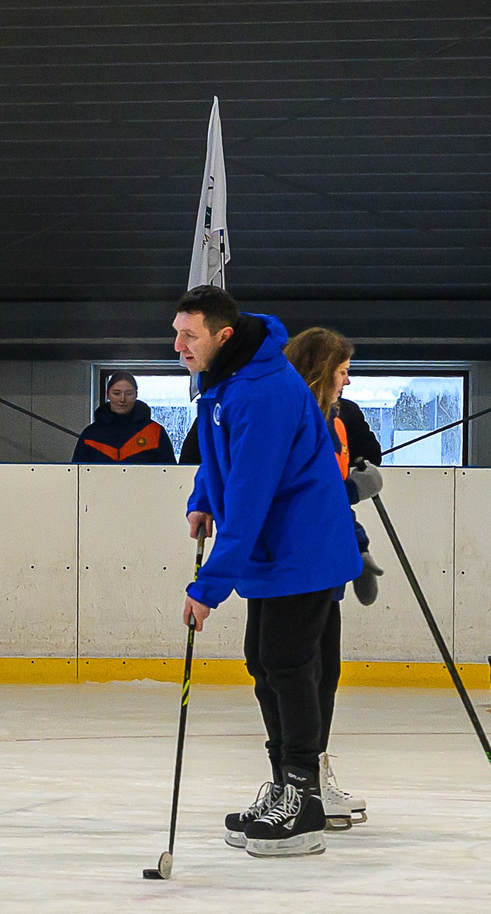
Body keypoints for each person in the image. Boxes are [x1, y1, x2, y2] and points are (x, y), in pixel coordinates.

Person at [173, 286, 361, 858]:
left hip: (301, 551)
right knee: (267, 660)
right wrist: (202, 495)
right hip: (276, 554)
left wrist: (207, 588)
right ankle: (286, 785)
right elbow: (218, 455)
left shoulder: (265, 391)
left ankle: (302, 797)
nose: (178, 345)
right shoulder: (225, 381)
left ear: (223, 336)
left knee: (285, 662)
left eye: (189, 336)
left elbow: (252, 495)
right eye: (176, 332)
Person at [249, 327, 384, 844]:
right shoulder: (295, 416)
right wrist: (354, 491)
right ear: (318, 370)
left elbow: (328, 500)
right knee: (280, 665)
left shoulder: (336, 420)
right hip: (291, 557)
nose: (348, 380)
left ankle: (308, 785)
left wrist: (359, 545)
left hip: (321, 558)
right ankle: (296, 785)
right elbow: (303, 493)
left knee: (316, 671)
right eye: (342, 370)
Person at [73, 370, 176, 464]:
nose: (122, 399)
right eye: (116, 393)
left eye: (128, 393)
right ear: (107, 394)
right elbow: (77, 475)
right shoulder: (90, 434)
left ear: (136, 395)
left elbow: (170, 474)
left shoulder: (155, 432)